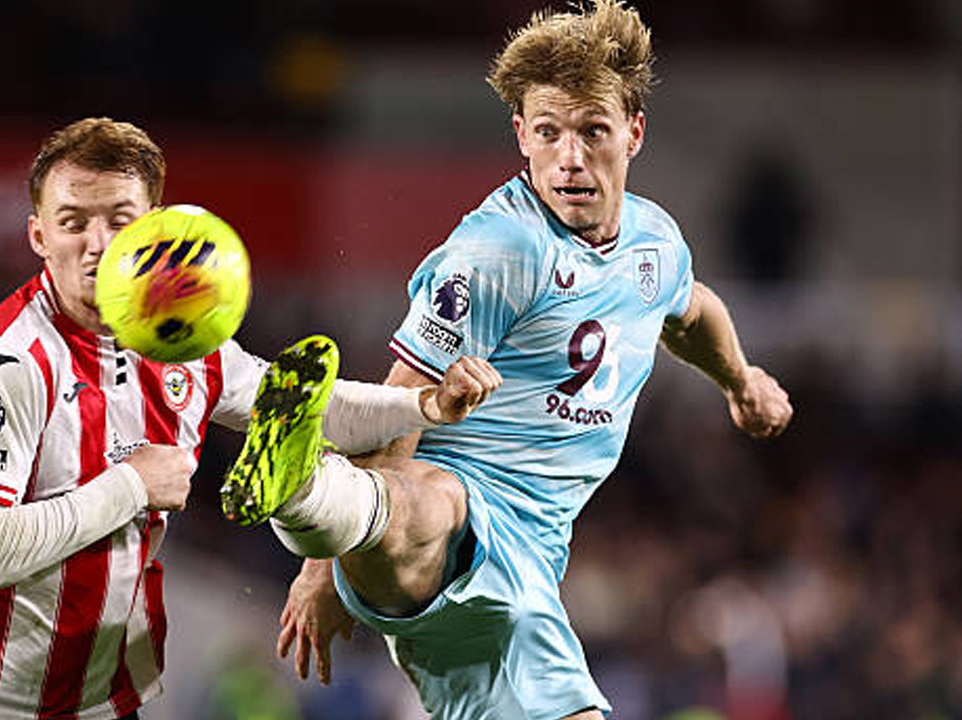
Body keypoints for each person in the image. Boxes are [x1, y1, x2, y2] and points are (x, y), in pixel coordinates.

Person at [218, 2, 794, 718]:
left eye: (593, 132)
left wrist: (740, 380)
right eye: (549, 133)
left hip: (531, 561)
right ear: (522, 135)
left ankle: (316, 501)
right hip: (457, 520)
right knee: (433, 501)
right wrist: (325, 572)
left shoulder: (654, 243)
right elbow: (402, 400)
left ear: (634, 133)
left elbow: (690, 309)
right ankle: (304, 492)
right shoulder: (497, 252)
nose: (571, 158)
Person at [0, 117, 500, 720]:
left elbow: (309, 407)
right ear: (39, 236)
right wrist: (132, 487)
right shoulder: (4, 365)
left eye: (119, 220)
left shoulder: (184, 342)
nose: (97, 244)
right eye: (72, 223)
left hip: (99, 704)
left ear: (152, 228)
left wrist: (424, 404)